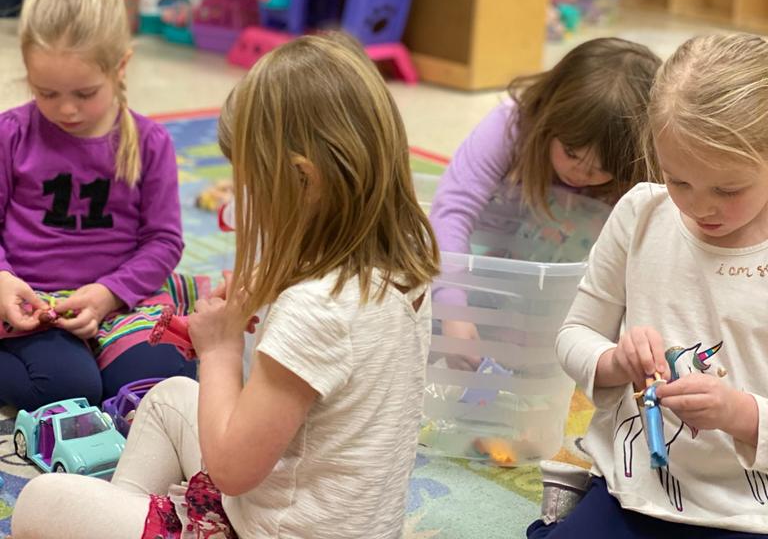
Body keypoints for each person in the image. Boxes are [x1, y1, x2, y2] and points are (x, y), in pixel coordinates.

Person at [13, 32, 441, 539]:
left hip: (271, 530)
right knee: (172, 395)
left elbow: (232, 469)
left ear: (302, 182)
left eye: (249, 182)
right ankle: (130, 516)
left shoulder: (317, 309)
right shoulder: (400, 266)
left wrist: (217, 348)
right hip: (324, 516)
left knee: (40, 501)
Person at [529, 33, 768, 537]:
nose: (701, 207)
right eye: (678, 180)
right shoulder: (641, 214)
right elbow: (574, 334)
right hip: (636, 487)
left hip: (751, 507)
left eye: (728, 189)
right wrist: (615, 360)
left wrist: (740, 413)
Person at [0, 0, 195, 412]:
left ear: (120, 67)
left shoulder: (150, 142)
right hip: (31, 304)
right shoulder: (11, 134)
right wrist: (4, 278)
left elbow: (164, 241)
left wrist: (109, 293)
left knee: (157, 386)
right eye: (45, 93)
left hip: (121, 299)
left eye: (84, 94)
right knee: (68, 390)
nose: (65, 110)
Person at [429, 38, 661, 355]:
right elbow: (452, 210)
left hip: (568, 309)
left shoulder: (644, 171)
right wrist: (453, 306)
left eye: (601, 169)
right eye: (570, 153)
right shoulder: (511, 126)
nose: (580, 174)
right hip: (488, 280)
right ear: (549, 115)